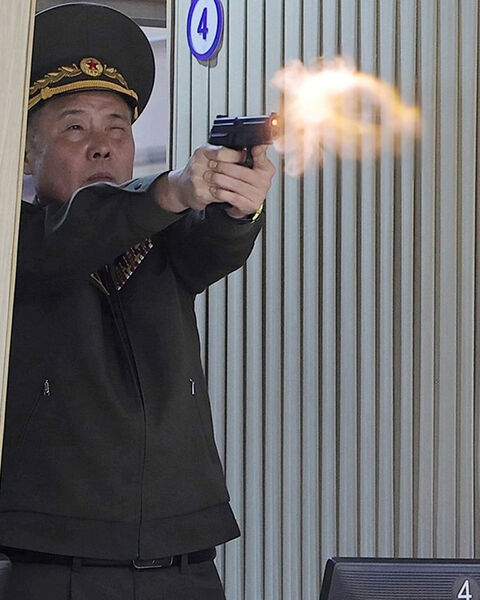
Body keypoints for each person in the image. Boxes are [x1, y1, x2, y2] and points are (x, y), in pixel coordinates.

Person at [0, 4, 275, 598]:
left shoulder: (158, 233)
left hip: (185, 561)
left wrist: (237, 205)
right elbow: (70, 237)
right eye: (75, 128)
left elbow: (212, 244)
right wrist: (170, 190)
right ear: (23, 153)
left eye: (117, 128)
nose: (102, 147)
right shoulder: (15, 240)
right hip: (56, 565)